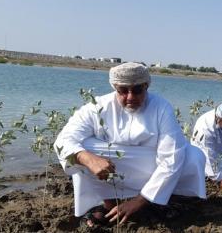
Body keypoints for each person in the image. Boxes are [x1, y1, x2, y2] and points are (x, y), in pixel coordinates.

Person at [54, 62, 206, 226]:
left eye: (137, 90)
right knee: (82, 148)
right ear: (115, 88)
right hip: (115, 164)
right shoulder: (97, 107)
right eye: (123, 91)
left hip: (152, 163)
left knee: (193, 155)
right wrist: (89, 159)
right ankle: (110, 205)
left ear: (146, 86)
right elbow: (63, 141)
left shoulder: (161, 108)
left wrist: (139, 201)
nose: (130, 97)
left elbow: (172, 158)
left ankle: (164, 199)